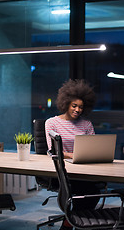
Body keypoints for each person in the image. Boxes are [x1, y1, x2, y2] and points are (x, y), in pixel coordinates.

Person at [45, 79, 100, 230]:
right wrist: (73, 155)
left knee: (94, 190)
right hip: (62, 171)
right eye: (74, 106)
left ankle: (70, 221)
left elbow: (93, 148)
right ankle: (75, 222)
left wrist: (85, 155)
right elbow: (53, 151)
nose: (77, 110)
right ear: (66, 103)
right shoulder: (52, 123)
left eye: (81, 107)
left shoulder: (87, 124)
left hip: (84, 169)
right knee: (90, 191)